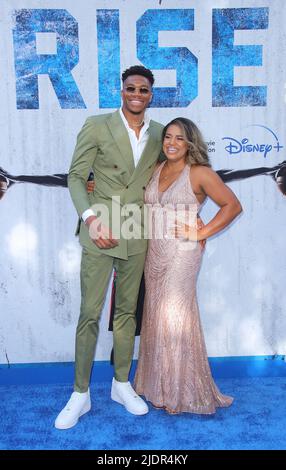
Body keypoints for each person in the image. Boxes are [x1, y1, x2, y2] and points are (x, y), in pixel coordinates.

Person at [54, 65, 164, 429]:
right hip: (100, 225)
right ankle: (80, 393)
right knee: (89, 312)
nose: (136, 94)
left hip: (137, 230)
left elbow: (172, 177)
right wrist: (90, 218)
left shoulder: (161, 133)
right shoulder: (97, 124)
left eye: (143, 90)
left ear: (151, 95)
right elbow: (75, 175)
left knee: (127, 314)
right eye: (131, 87)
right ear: (122, 90)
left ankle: (121, 384)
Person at [134, 117, 242, 414]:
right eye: (168, 136)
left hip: (182, 253)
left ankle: (181, 391)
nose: (171, 142)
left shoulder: (199, 173)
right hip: (153, 252)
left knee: (174, 317)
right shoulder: (156, 169)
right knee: (156, 316)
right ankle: (158, 386)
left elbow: (233, 205)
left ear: (190, 143)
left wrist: (201, 232)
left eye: (179, 138)